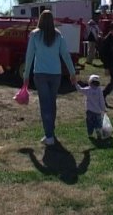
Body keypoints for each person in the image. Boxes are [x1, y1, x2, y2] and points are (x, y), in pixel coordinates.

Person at [23, 10, 77, 146]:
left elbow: (29, 56)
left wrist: (25, 75)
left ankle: (49, 136)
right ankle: (50, 132)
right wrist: (72, 73)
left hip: (40, 74)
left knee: (44, 105)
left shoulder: (35, 35)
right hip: (55, 74)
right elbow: (65, 55)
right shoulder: (58, 36)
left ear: (40, 20)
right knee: (52, 103)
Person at [75, 74, 107, 139]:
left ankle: (90, 133)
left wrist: (76, 84)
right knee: (98, 123)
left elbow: (80, 89)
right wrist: (103, 108)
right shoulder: (99, 90)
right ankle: (98, 130)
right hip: (97, 111)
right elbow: (102, 100)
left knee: (90, 123)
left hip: (89, 111)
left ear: (90, 82)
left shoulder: (88, 89)